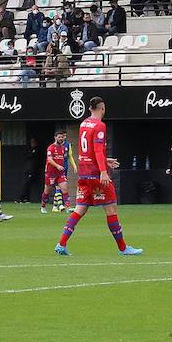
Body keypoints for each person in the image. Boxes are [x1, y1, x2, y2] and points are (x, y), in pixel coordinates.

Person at [55, 97, 142, 256]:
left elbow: (85, 151)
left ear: (89, 108)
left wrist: (104, 159)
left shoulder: (83, 123)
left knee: (80, 209)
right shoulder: (100, 125)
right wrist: (103, 170)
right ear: (102, 108)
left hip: (84, 173)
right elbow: (95, 149)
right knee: (111, 208)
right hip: (96, 175)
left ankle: (61, 244)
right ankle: (123, 248)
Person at [41, 129, 71, 214]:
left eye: (62, 137)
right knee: (47, 191)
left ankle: (68, 207)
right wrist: (57, 166)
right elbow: (49, 159)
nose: (61, 138)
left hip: (59, 173)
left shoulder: (63, 148)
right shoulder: (51, 147)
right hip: (50, 173)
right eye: (59, 137)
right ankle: (43, 206)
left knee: (65, 189)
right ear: (55, 137)